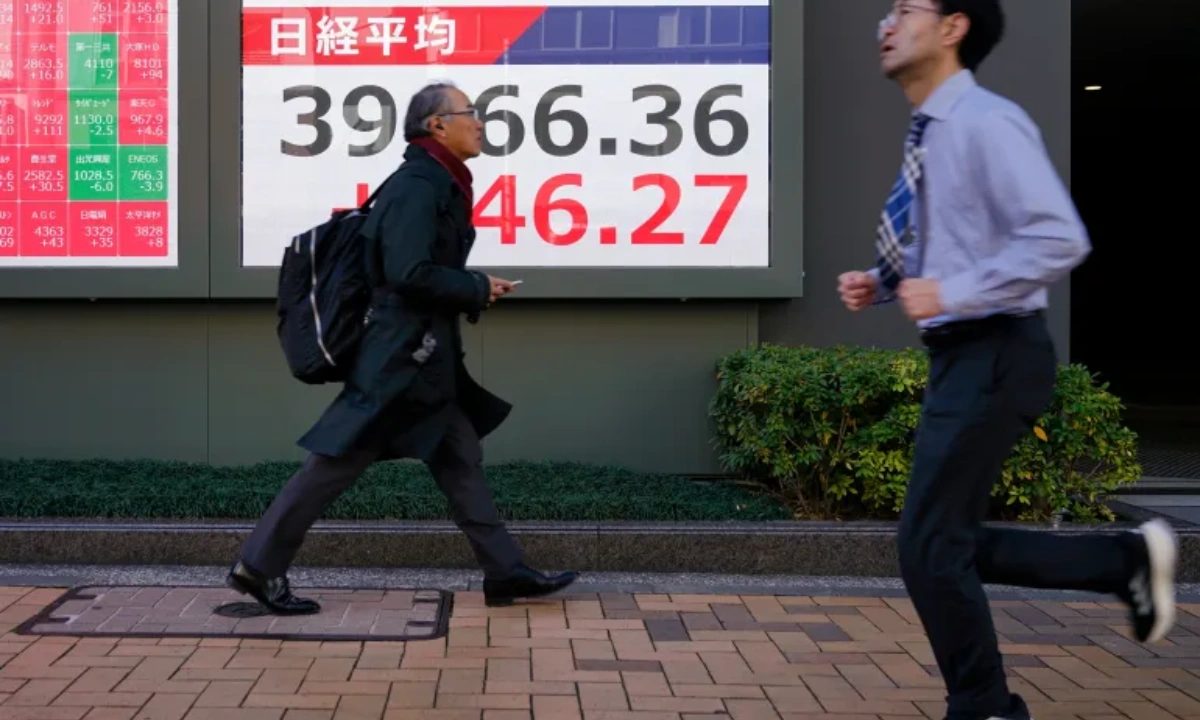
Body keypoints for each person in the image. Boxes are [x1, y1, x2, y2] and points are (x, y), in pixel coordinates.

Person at [838, 2, 1177, 719]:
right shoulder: (933, 130)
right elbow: (957, 240)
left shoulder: (985, 122)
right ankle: (1122, 561)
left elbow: (1059, 239)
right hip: (965, 355)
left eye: (906, 9)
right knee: (939, 545)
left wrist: (952, 292)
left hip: (994, 351)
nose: (886, 25)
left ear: (953, 27)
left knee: (930, 548)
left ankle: (985, 706)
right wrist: (884, 283)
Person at [227, 81, 577, 613]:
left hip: (422, 359)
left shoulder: (436, 179)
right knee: (334, 463)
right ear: (437, 125)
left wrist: (473, 289)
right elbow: (407, 272)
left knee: (459, 456)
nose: (480, 122)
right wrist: (475, 286)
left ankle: (505, 572)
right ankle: (258, 567)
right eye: (470, 113)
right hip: (400, 360)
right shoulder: (418, 184)